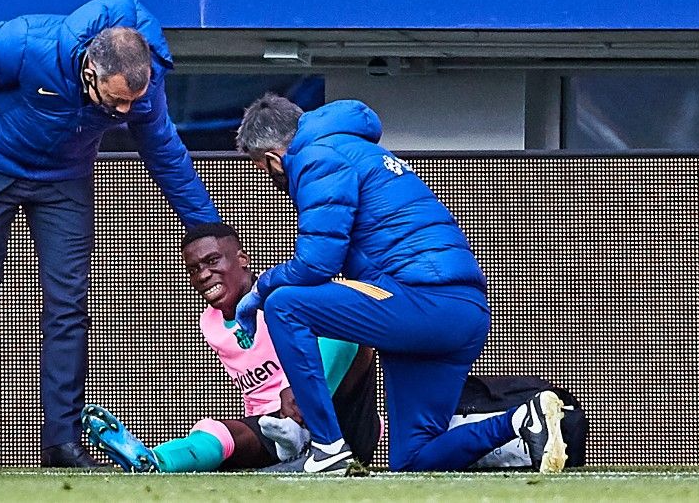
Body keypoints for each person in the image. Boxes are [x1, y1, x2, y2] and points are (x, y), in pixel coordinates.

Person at [0, 0, 219, 472]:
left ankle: (61, 443)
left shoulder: (143, 89)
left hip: (65, 181)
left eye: (134, 99)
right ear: (89, 72)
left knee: (68, 306)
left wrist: (206, 227)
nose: (126, 109)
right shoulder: (29, 43)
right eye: (116, 100)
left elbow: (164, 152)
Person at [233, 94, 567, 474]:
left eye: (262, 167)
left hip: (421, 302)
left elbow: (316, 263)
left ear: (274, 155)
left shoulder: (316, 155)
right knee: (413, 460)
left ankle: (327, 448)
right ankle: (522, 419)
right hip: (460, 313)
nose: (269, 177)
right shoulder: (357, 149)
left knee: (285, 305)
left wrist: (260, 289)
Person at [81, 223, 380, 472]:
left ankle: (310, 432)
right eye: (194, 269)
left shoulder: (281, 295)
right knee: (217, 430)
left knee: (343, 332)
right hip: (277, 432)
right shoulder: (209, 324)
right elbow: (254, 395)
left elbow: (343, 332)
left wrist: (297, 387)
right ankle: (154, 460)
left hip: (338, 422)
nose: (203, 275)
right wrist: (265, 427)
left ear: (242, 259)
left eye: (212, 261)